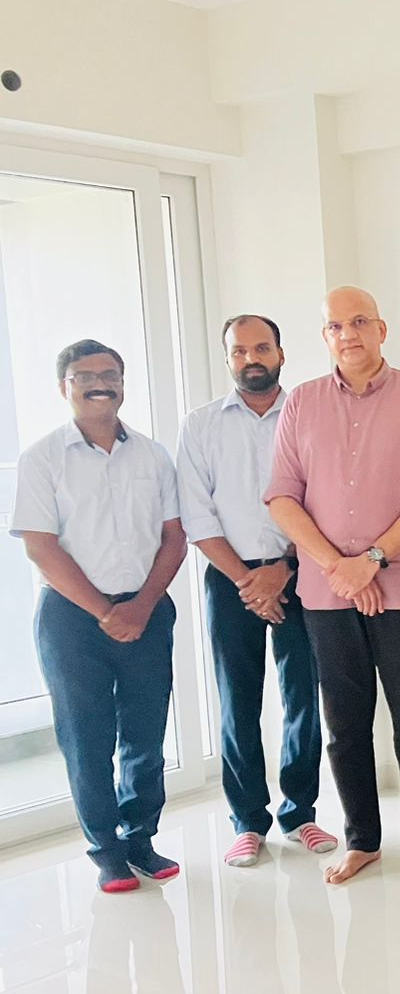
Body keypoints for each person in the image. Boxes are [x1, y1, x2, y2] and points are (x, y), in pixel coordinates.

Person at [266, 286, 400, 885]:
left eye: (359, 322)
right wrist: (341, 569)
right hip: (329, 594)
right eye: (335, 326)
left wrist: (371, 560)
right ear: (324, 336)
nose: (347, 334)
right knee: (345, 726)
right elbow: (282, 496)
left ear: (381, 329)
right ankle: (362, 840)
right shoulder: (302, 402)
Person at [11, 339, 187, 892]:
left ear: (123, 384)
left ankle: (141, 840)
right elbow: (41, 547)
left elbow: (174, 539)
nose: (99, 384)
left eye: (109, 374)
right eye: (84, 376)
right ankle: (106, 850)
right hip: (71, 619)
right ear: (63, 387)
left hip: (147, 608)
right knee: (87, 738)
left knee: (146, 734)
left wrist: (140, 606)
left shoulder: (153, 456)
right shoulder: (42, 458)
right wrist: (106, 611)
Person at [176, 314, 333, 868]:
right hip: (231, 579)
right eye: (239, 351)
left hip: (302, 571)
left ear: (281, 354)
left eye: (261, 348)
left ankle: (300, 812)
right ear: (228, 360)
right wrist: (249, 581)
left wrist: (284, 568)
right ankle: (247, 821)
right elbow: (197, 515)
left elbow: (326, 502)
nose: (251, 359)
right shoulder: (200, 425)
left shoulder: (311, 416)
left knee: (303, 697)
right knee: (237, 701)